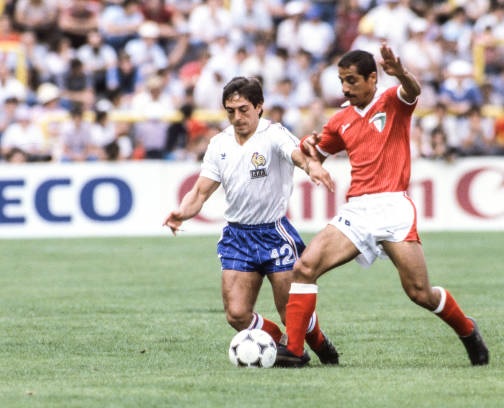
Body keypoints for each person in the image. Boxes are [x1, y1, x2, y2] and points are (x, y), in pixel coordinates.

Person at [275, 44, 489, 367]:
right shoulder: (340, 120)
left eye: (351, 80)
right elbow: (314, 153)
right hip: (358, 210)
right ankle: (294, 350)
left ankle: (467, 329)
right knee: (304, 268)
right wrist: (309, 149)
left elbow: (413, 90)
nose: (345, 88)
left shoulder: (392, 101)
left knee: (420, 292)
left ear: (372, 78)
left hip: (393, 207)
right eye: (341, 81)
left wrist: (401, 73)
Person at [162, 76, 340, 365]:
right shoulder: (219, 144)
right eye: (230, 111)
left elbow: (297, 155)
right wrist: (182, 212)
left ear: (259, 106)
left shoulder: (274, 134)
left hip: (274, 233)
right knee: (237, 315)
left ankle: (319, 342)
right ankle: (279, 345)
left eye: (243, 109)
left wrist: (312, 167)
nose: (237, 117)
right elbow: (200, 191)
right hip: (238, 237)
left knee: (291, 314)